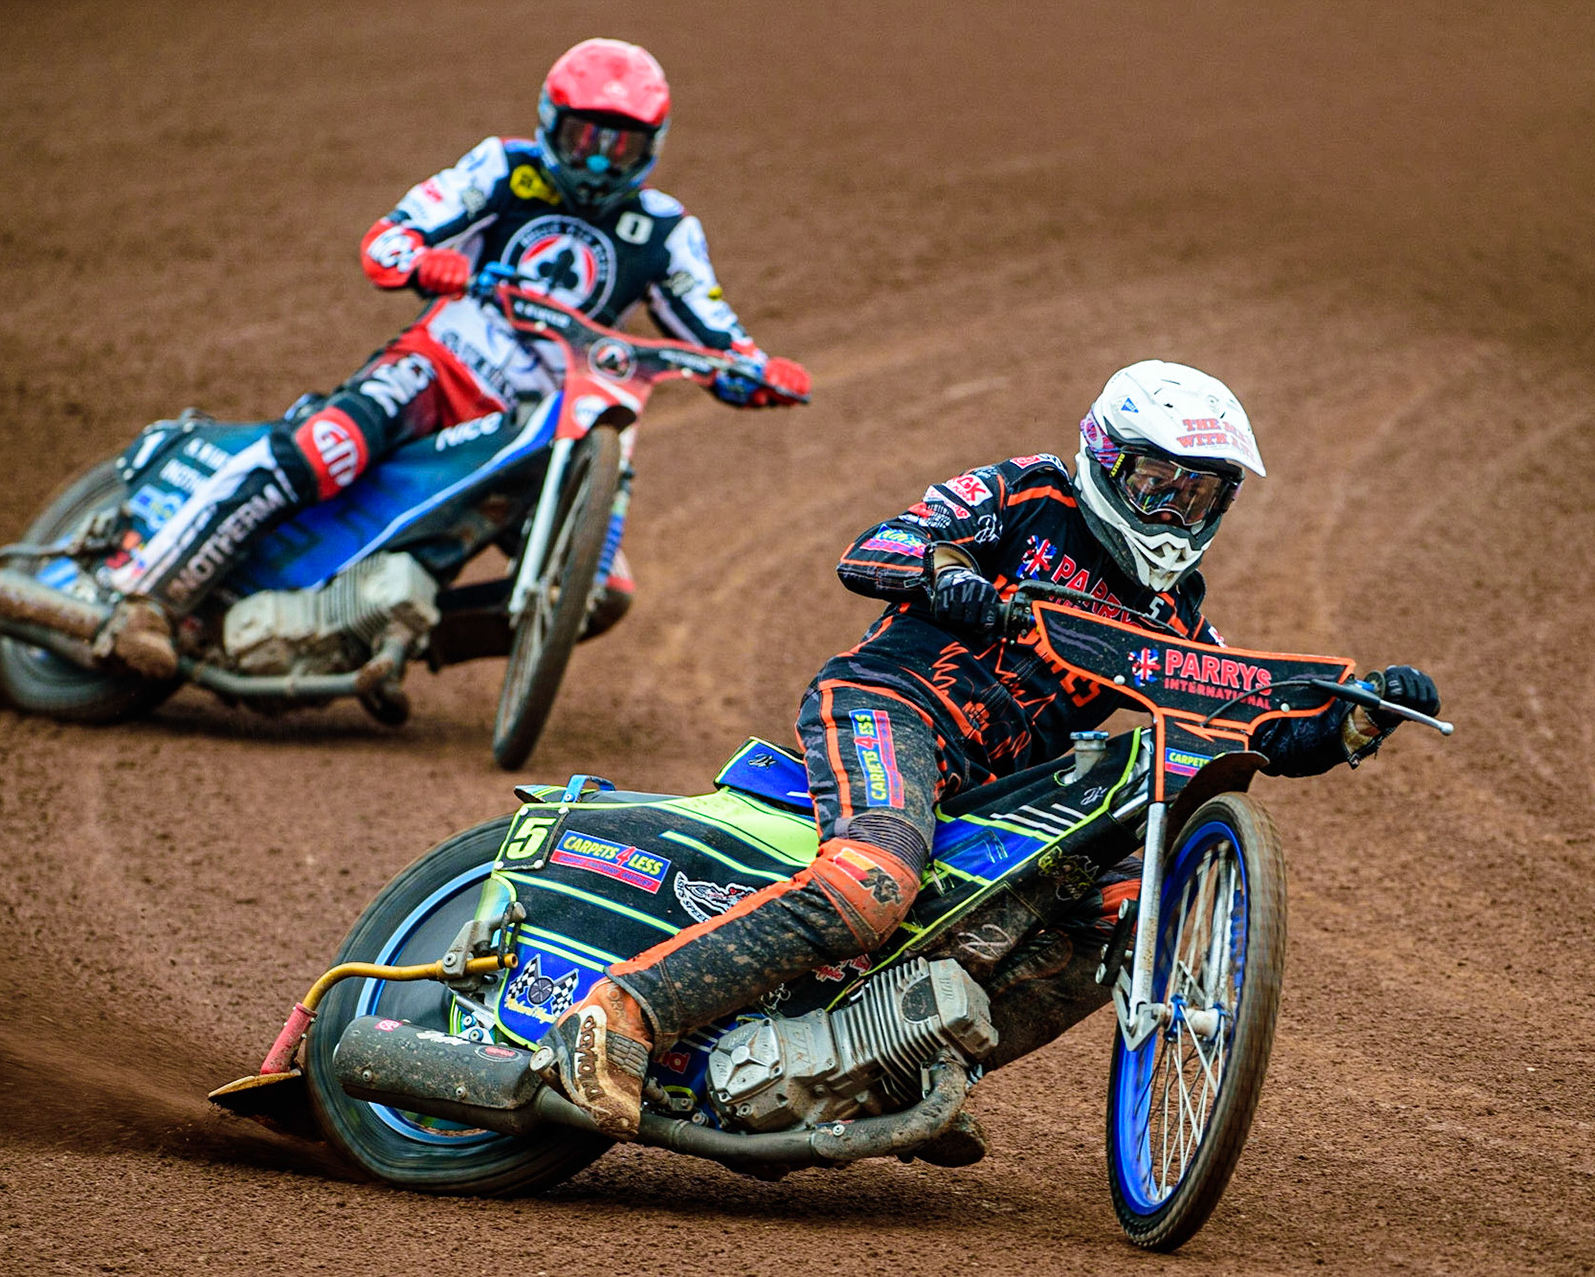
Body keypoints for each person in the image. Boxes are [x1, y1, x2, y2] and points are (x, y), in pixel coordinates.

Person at [543, 359, 1441, 1137]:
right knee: (871, 882)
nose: (1173, 509)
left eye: (1199, 493)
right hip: (891, 703)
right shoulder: (1024, 493)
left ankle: (888, 1076)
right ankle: (623, 1010)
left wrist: (1355, 722)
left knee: (1125, 913)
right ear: (1103, 457)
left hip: (996, 788)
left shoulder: (1174, 610)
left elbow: (1245, 719)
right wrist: (958, 582)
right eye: (1156, 482)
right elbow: (879, 546)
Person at [97, 38, 810, 677]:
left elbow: (717, 334)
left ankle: (385, 640)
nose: (597, 160)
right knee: (326, 447)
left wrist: (761, 371)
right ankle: (142, 595)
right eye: (584, 136)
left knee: (597, 587)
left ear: (650, 146)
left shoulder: (665, 229)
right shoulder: (502, 168)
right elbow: (390, 238)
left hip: (544, 424)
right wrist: (426, 262)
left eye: (618, 145)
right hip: (438, 368)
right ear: (549, 120)